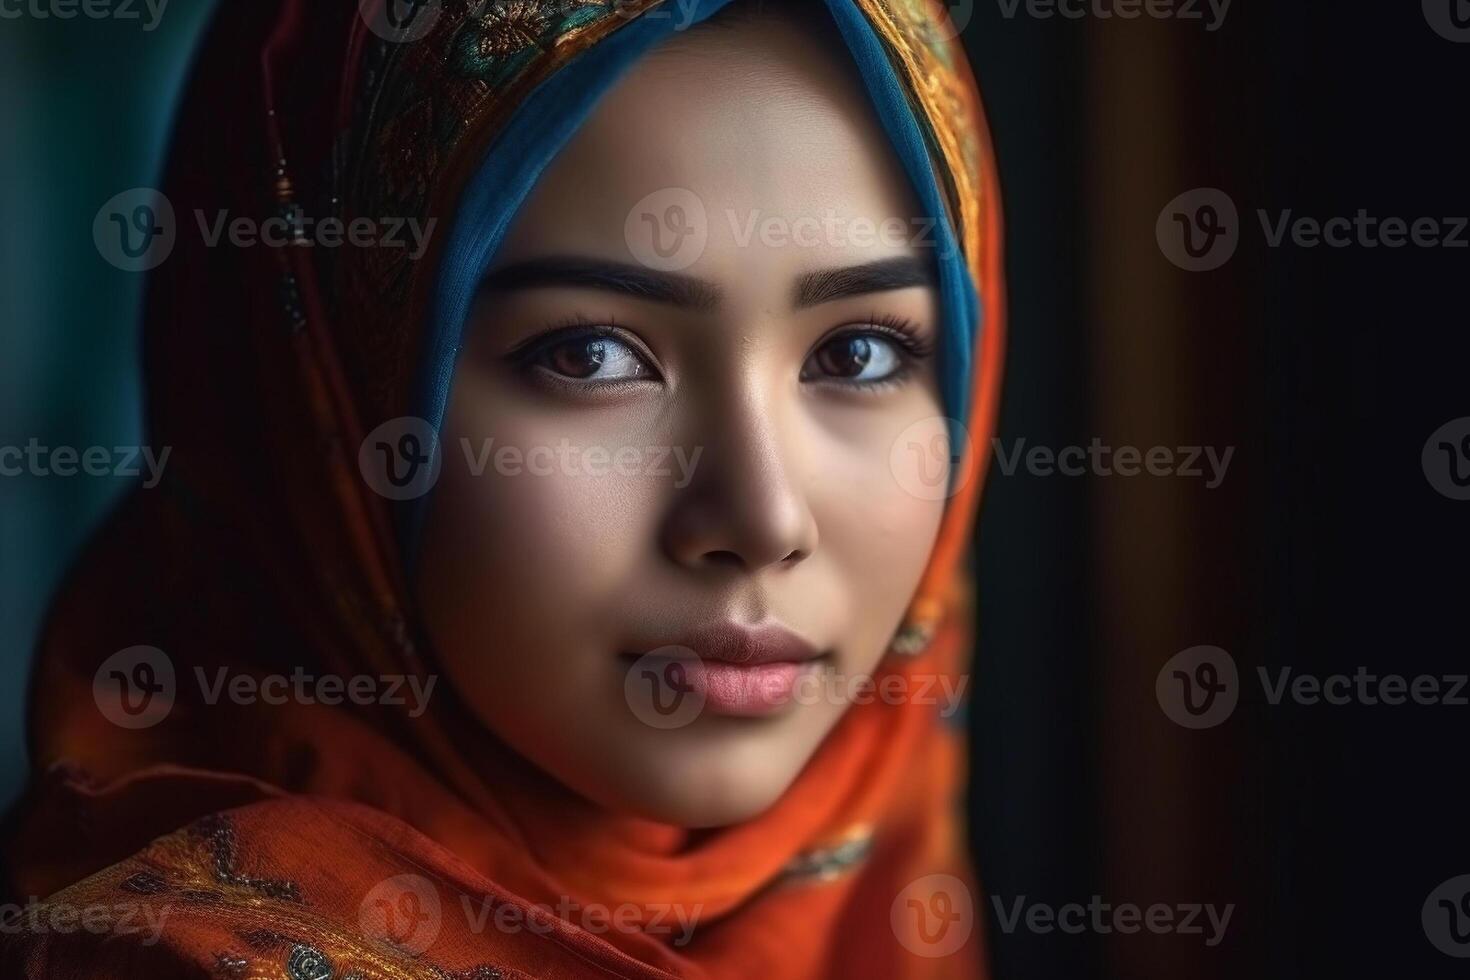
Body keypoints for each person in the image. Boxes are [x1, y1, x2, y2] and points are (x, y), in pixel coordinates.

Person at [1, 1, 1004, 976]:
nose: (762, 516)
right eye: (593, 354)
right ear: (333, 395)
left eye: (859, 351)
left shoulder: (891, 894)